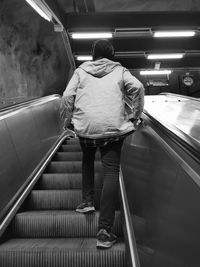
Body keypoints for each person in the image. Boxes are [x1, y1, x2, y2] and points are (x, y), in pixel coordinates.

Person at [60, 39, 144, 249]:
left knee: (88, 160)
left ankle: (87, 201)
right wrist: (135, 115)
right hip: (112, 127)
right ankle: (105, 231)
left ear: (92, 54)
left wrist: (68, 120)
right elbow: (138, 87)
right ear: (112, 54)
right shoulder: (120, 70)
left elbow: (67, 96)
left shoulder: (81, 71)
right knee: (110, 172)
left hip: (86, 127)